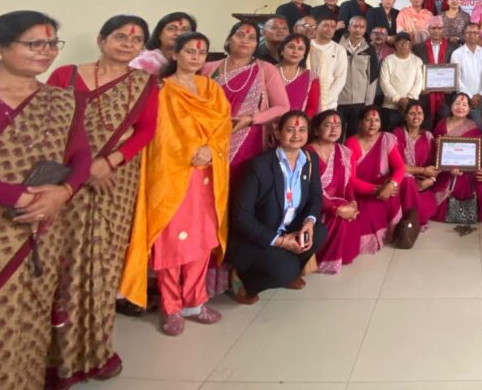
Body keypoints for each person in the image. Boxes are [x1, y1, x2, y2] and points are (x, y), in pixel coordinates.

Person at [0, 11, 90, 390]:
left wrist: (64, 192)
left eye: (52, 43)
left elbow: (81, 156)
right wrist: (20, 195)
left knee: (30, 324)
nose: (46, 51)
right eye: (34, 44)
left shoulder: (62, 100)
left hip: (43, 230)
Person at [45, 16, 159, 387]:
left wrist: (109, 161)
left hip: (116, 180)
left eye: (136, 40)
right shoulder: (65, 76)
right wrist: (83, 167)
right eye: (120, 36)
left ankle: (95, 350)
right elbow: (49, 125)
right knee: (60, 264)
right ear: (101, 39)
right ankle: (52, 356)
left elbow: (146, 130)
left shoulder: (144, 83)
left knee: (103, 263)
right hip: (65, 178)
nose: (127, 43)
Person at [121, 32, 232, 337]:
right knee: (170, 242)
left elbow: (224, 125)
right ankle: (170, 306)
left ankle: (195, 301)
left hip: (207, 175)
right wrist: (189, 152)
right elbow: (158, 135)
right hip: (171, 175)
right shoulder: (160, 90)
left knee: (202, 239)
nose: (196, 57)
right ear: (174, 54)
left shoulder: (211, 88)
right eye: (189, 51)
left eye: (201, 52)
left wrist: (210, 148)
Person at [227, 111, 326, 304]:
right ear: (277, 132)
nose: (296, 135)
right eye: (290, 130)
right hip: (258, 236)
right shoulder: (259, 166)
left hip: (289, 228)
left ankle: (285, 270)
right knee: (286, 270)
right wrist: (280, 242)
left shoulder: (310, 160)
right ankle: (245, 281)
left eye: (302, 130)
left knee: (319, 231)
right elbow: (241, 218)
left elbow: (315, 196)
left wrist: (309, 222)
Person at [201, 21, 289, 178]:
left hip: (248, 139)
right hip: (208, 138)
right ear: (229, 39)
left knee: (242, 184)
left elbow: (282, 107)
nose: (245, 40)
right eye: (240, 35)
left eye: (252, 37)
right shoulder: (207, 68)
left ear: (256, 44)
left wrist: (251, 119)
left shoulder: (266, 69)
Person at [306, 110, 360, 274]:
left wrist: (352, 201)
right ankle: (324, 260)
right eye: (328, 125)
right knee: (340, 212)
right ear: (316, 130)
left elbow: (347, 182)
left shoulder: (344, 152)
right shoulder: (307, 153)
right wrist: (335, 209)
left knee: (349, 208)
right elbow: (310, 190)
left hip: (338, 201)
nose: (334, 129)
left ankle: (340, 256)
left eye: (337, 126)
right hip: (312, 204)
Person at [347, 106, 405, 254]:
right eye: (368, 120)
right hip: (362, 191)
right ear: (360, 122)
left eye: (376, 120)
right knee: (363, 219)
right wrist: (379, 189)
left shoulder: (386, 138)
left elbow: (400, 167)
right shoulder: (351, 143)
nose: (373, 124)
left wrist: (391, 185)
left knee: (400, 188)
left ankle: (400, 230)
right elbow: (350, 180)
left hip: (385, 187)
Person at [431, 91, 481, 228]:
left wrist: (461, 168)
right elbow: (434, 150)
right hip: (442, 169)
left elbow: (475, 156)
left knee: (461, 182)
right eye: (457, 103)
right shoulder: (441, 123)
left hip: (464, 171)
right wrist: (437, 145)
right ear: (451, 106)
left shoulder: (473, 127)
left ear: (469, 109)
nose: (460, 107)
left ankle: (457, 214)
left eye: (464, 105)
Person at [393, 101, 440, 230]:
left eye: (419, 113)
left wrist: (431, 180)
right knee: (408, 179)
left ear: (424, 116)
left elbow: (436, 164)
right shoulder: (396, 135)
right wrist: (423, 170)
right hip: (402, 181)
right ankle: (411, 219)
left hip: (422, 184)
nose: (416, 117)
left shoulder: (428, 137)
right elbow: (398, 166)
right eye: (412, 113)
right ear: (405, 116)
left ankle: (413, 218)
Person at [336, 16, 380, 139]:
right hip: (339, 99)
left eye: (362, 27)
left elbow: (373, 78)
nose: (358, 30)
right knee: (336, 135)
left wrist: (368, 103)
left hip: (359, 101)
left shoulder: (369, 49)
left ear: (365, 30)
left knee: (354, 137)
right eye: (355, 26)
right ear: (349, 28)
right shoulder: (338, 47)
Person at [414, 16, 456, 129]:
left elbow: (456, 69)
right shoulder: (418, 48)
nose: (436, 31)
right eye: (433, 28)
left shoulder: (453, 47)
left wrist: (452, 85)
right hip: (425, 94)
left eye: (439, 28)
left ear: (443, 29)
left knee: (444, 126)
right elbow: (416, 70)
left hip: (446, 95)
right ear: (428, 29)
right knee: (425, 126)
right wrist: (420, 87)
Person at [378, 33, 425, 131]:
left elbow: (419, 82)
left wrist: (409, 100)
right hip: (390, 107)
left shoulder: (417, 61)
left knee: (409, 135)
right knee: (389, 136)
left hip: (411, 108)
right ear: (395, 44)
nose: (403, 45)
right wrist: (398, 99)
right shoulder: (388, 60)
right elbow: (384, 82)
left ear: (411, 44)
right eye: (400, 42)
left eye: (406, 42)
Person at [129, 11, 196, 75]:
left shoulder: (197, 62)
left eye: (185, 30)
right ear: (159, 33)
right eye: (171, 29)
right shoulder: (143, 62)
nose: (178, 33)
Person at [452, 22, 482, 127]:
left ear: (479, 35)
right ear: (464, 35)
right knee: (461, 129)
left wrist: (481, 95)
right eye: (469, 33)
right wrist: (470, 97)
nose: (472, 35)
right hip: (462, 100)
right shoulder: (456, 54)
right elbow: (456, 78)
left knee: (479, 128)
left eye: (475, 33)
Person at [277, 33, 320, 118]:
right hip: (268, 123)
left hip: (298, 124)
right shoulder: (268, 72)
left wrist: (301, 123)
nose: (295, 52)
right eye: (291, 47)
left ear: (304, 55)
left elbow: (312, 107)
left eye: (300, 49)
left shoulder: (311, 77)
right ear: (282, 50)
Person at [312, 16, 347, 113]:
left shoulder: (339, 50)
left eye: (333, 27)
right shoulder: (307, 45)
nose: (329, 29)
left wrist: (324, 101)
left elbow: (340, 79)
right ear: (317, 26)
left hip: (329, 104)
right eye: (326, 25)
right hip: (306, 101)